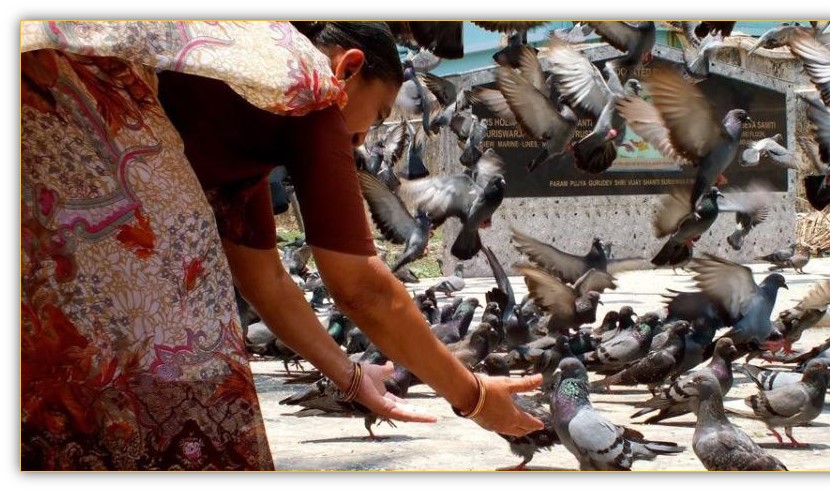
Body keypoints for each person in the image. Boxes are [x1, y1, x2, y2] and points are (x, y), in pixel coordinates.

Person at [20, 21, 542, 471]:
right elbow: (362, 289)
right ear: (349, 67)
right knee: (194, 372)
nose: (363, 140)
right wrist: (472, 398)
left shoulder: (241, 142)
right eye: (379, 115)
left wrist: (352, 376)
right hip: (63, 126)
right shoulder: (313, 93)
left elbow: (267, 283)